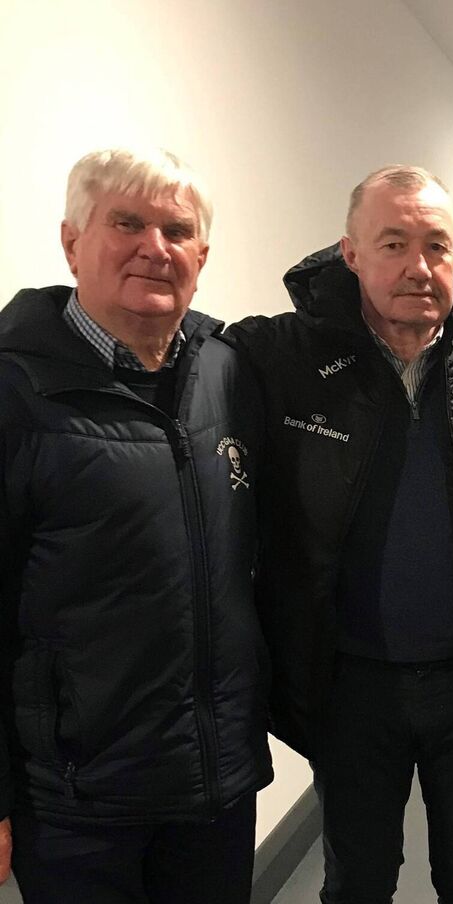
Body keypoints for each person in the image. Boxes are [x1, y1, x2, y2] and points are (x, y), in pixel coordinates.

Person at [225, 165, 453, 904]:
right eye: (393, 243)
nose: (418, 267)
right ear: (350, 254)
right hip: (350, 685)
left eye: (436, 246)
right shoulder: (284, 363)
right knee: (358, 881)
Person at [0, 147, 271, 903]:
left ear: (203, 255)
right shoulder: (15, 392)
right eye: (127, 223)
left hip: (214, 784)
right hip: (77, 799)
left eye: (177, 230)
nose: (155, 248)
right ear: (71, 242)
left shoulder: (227, 368)